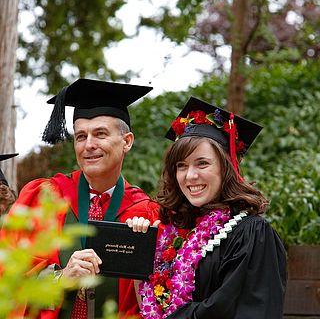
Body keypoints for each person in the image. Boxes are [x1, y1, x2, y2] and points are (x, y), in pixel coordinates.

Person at [2, 79, 159, 319]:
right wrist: (59, 277)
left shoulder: (146, 215)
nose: (89, 145)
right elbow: (7, 273)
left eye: (100, 134)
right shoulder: (43, 197)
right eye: (81, 136)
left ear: (126, 142)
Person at [128, 96, 287, 319]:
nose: (190, 176)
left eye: (202, 163)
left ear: (226, 167)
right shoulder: (174, 235)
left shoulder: (252, 234)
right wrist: (141, 251)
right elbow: (151, 305)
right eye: (181, 166)